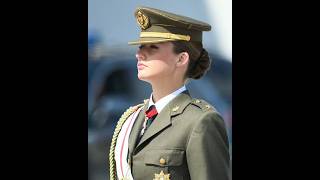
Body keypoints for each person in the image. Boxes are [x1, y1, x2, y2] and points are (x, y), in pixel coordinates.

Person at [109, 6, 230, 180]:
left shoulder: (200, 121)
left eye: (152, 47)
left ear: (181, 59)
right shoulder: (132, 118)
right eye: (141, 47)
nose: (139, 54)